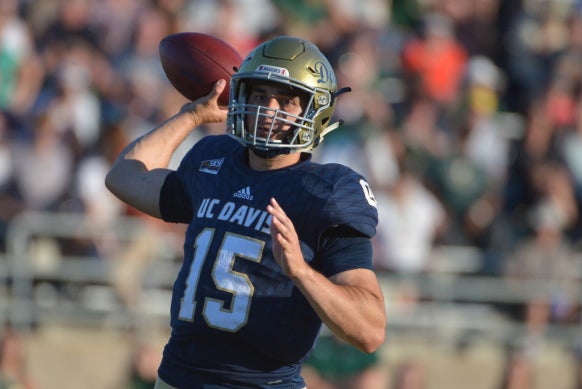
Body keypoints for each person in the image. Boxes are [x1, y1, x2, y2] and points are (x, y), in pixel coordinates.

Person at [105, 36, 386, 388]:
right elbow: (125, 176)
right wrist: (191, 116)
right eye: (258, 96)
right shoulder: (214, 161)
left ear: (315, 112)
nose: (269, 111)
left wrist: (301, 272)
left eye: (286, 101)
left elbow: (370, 330)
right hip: (176, 379)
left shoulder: (326, 191)